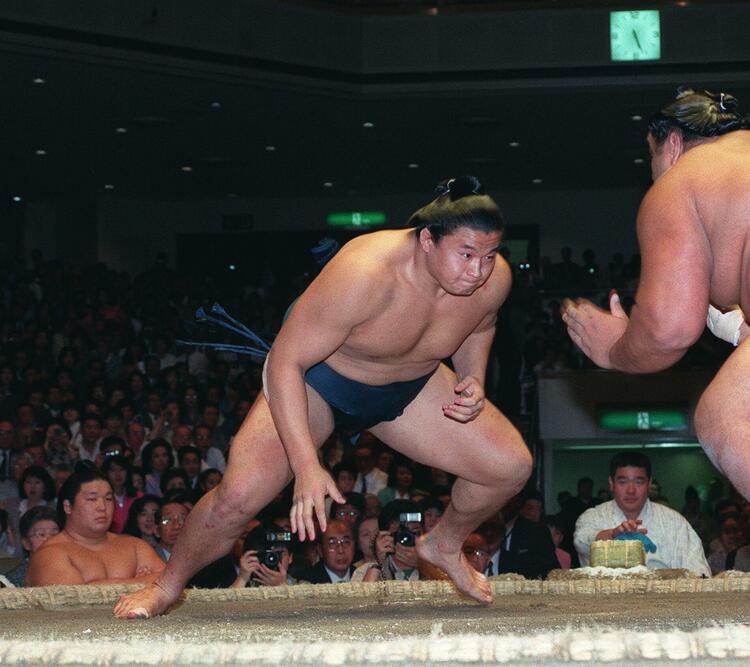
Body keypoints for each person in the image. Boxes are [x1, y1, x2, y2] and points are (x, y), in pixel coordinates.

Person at [114, 175, 531, 618]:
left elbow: (481, 326)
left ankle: (444, 545)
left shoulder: (492, 280)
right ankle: (167, 585)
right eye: (466, 255)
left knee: (509, 467)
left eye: (488, 256)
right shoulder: (363, 272)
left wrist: (473, 378)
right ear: (427, 240)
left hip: (411, 387)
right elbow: (283, 363)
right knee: (238, 497)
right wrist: (306, 466)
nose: (477, 271)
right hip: (318, 382)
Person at [561, 88, 750, 500]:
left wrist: (615, 349)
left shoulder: (681, 181)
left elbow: (668, 333)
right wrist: (737, 330)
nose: (653, 172)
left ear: (675, 143)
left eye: (652, 156)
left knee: (725, 416)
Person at [25, 463, 165, 586]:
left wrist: (95, 585)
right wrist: (140, 583)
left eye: (109, 498)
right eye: (92, 499)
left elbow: (169, 583)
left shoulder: (136, 546)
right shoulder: (50, 554)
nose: (102, 506)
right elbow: (75, 604)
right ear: (68, 506)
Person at [573, 452, 710, 576]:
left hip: (663, 601)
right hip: (605, 602)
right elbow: (580, 542)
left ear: (649, 484)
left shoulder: (674, 522)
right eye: (623, 481)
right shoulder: (592, 517)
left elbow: (699, 573)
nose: (631, 490)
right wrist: (612, 534)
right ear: (611, 483)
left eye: (639, 481)